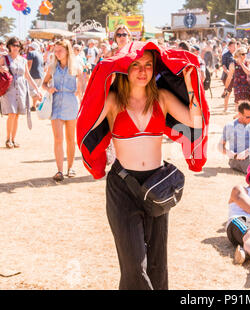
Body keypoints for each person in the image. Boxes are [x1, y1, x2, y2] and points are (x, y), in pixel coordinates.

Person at [78, 43, 206, 289]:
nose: (142, 71)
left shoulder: (163, 97)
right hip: (123, 188)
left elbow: (195, 122)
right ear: (126, 68)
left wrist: (190, 85)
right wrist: (106, 73)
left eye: (148, 65)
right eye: (135, 64)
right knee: (134, 266)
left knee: (158, 264)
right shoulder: (114, 101)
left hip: (158, 186)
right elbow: (89, 116)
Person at [42, 40, 83, 181]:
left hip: (71, 104)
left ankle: (70, 168)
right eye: (56, 50)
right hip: (56, 104)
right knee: (58, 139)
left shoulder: (76, 66)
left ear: (67, 51)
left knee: (71, 139)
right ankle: (59, 170)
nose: (57, 53)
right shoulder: (52, 67)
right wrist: (48, 89)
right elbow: (43, 83)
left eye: (60, 50)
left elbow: (82, 84)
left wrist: (80, 91)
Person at [0, 37, 42, 149]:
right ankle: (8, 139)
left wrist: (37, 89)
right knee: (12, 114)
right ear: (9, 46)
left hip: (22, 89)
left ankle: (13, 139)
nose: (15, 47)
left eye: (18, 45)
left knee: (17, 115)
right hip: (9, 89)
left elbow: (27, 76)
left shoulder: (23, 60)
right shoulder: (4, 58)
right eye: (13, 45)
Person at [219, 102, 250, 174]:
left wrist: (248, 151)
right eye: (248, 117)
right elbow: (220, 145)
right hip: (238, 158)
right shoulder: (230, 126)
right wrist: (228, 153)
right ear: (240, 114)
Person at [27, 42, 45, 111]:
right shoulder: (40, 54)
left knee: (32, 91)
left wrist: (26, 74)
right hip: (41, 75)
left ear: (31, 47)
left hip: (33, 75)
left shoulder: (31, 53)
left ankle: (43, 101)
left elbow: (29, 65)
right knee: (36, 91)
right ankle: (34, 106)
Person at [221, 40, 236, 113]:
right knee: (228, 92)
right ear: (229, 47)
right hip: (227, 77)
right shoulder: (225, 55)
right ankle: (225, 108)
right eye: (233, 46)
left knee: (234, 92)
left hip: (234, 76)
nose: (234, 48)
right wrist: (227, 72)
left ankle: (235, 108)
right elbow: (223, 65)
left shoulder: (235, 55)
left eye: (235, 46)